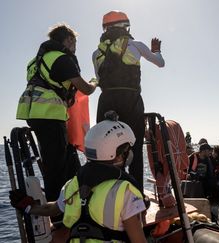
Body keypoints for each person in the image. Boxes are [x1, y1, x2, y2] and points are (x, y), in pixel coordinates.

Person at [9, 112, 148, 243]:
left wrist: (28, 207)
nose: (129, 154)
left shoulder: (73, 184)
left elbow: (52, 209)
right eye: (127, 150)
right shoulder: (125, 191)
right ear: (117, 154)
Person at [16, 23, 97, 224]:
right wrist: (96, 82)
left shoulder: (35, 61)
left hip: (35, 113)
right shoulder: (62, 59)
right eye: (75, 42)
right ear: (68, 40)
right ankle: (58, 217)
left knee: (64, 159)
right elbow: (85, 89)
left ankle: (71, 204)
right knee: (56, 167)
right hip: (50, 116)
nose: (75, 46)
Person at [92, 11, 165, 191]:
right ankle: (135, 194)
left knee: (105, 149)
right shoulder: (135, 45)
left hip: (106, 101)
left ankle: (107, 192)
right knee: (135, 147)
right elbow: (160, 63)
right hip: (131, 100)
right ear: (125, 26)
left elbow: (98, 78)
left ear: (105, 28)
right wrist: (156, 50)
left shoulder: (96, 53)